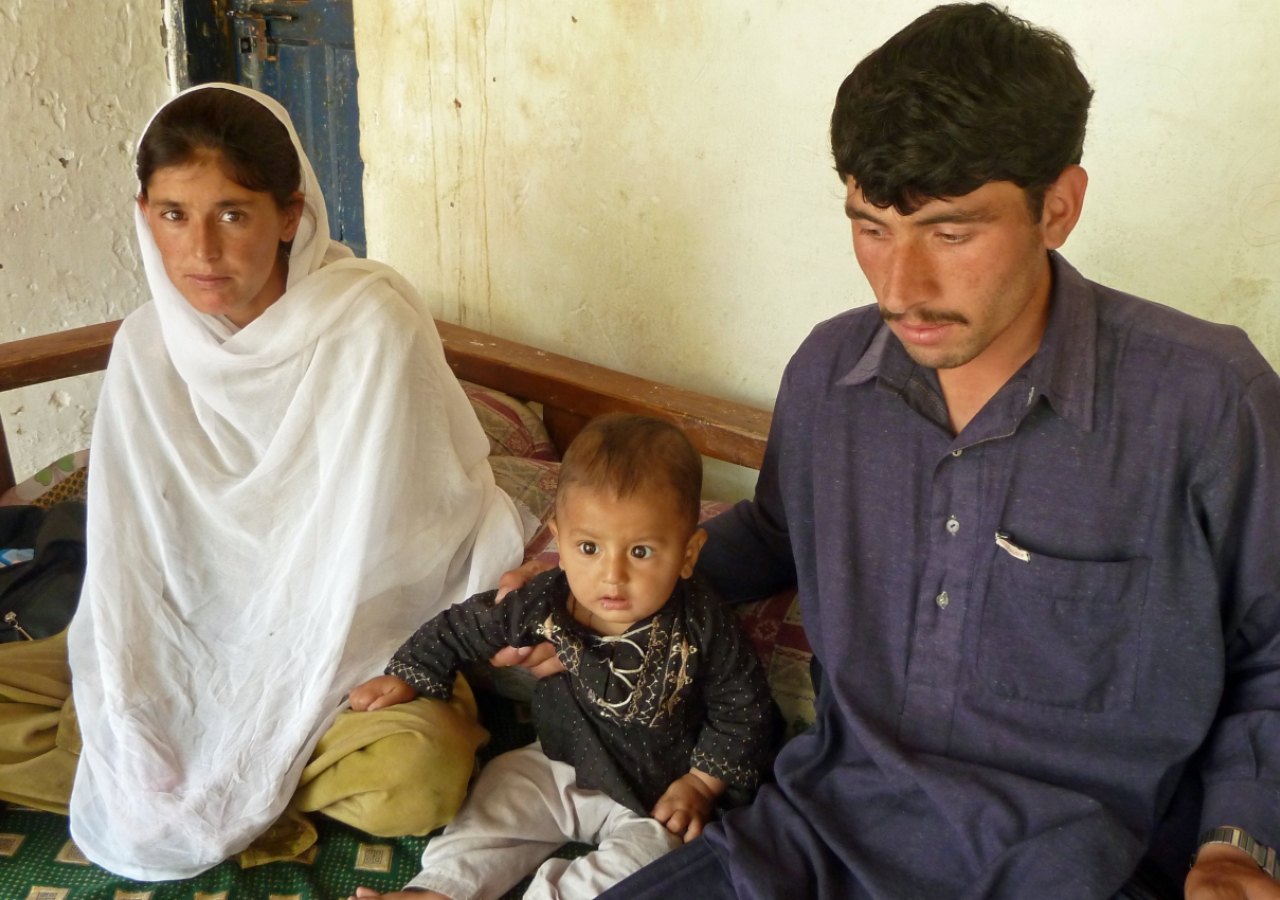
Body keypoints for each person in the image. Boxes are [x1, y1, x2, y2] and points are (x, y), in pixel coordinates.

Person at [499, 5, 1280, 900]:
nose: (902, 287)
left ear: (1058, 208)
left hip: (1078, 869)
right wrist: (593, 600)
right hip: (823, 839)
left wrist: (1237, 842)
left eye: (951, 233)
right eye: (871, 227)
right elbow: (777, 535)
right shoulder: (833, 375)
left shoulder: (1205, 401)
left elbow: (1273, 644)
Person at [0, 84, 528, 881]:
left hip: (344, 643)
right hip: (186, 631)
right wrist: (166, 673)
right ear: (146, 216)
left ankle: (192, 785)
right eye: (176, 214)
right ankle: (225, 784)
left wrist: (262, 678)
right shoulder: (147, 350)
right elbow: (134, 566)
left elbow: (411, 543)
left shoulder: (367, 324)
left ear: (290, 215)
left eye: (233, 214)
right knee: (115, 694)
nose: (203, 251)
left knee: (421, 773)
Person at [347, 414, 778, 900]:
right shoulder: (546, 601)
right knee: (500, 790)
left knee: (656, 860)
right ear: (561, 540)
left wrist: (702, 784)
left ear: (688, 552)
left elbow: (745, 711)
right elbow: (469, 624)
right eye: (589, 547)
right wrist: (413, 671)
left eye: (640, 552)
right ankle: (437, 890)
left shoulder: (704, 625)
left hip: (654, 794)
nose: (612, 575)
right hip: (562, 761)